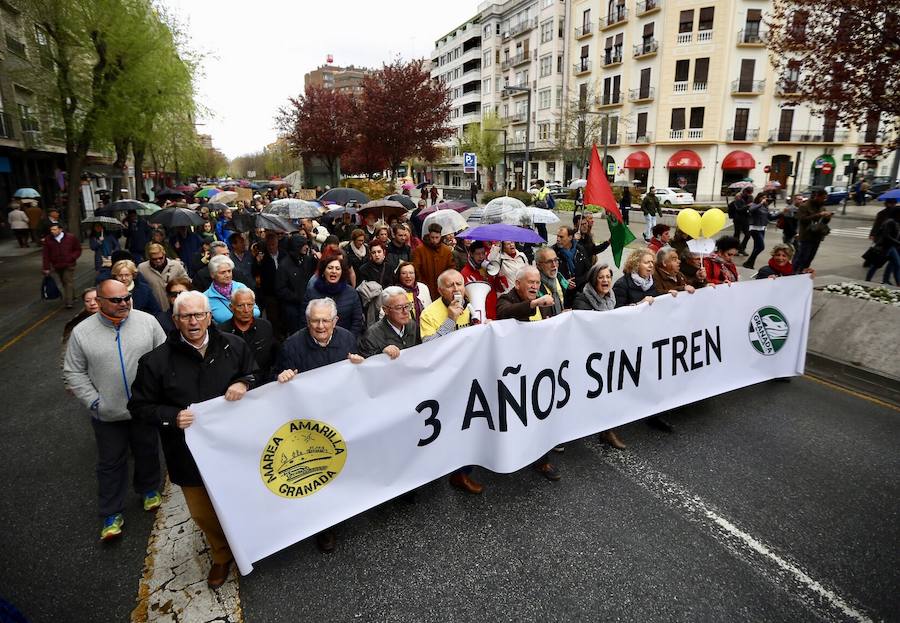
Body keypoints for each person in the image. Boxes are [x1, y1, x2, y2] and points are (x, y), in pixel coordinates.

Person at [129, 291, 256, 588]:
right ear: (175, 321)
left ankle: (250, 544)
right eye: (186, 316)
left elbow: (256, 375)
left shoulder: (234, 346)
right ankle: (222, 554)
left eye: (199, 314)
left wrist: (243, 381)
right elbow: (138, 407)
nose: (194, 321)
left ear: (210, 317)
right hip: (187, 454)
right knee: (203, 512)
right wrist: (171, 416)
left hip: (235, 448)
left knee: (242, 499)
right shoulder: (154, 362)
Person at [63, 279, 167, 541]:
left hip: (144, 409)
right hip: (107, 414)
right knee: (110, 462)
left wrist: (157, 394)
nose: (125, 303)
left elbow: (165, 356)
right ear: (99, 302)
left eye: (127, 297)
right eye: (117, 300)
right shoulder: (82, 333)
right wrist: (95, 401)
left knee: (147, 449)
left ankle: (149, 488)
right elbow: (73, 371)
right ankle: (111, 512)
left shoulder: (147, 322)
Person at [276, 297, 363, 551]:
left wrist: (360, 363)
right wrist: (281, 376)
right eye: (315, 320)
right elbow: (275, 389)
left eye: (326, 320)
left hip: (341, 414)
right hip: (311, 423)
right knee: (321, 474)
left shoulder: (347, 338)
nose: (321, 326)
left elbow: (358, 372)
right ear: (307, 321)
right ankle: (324, 527)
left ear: (336, 321)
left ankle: (348, 507)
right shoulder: (291, 346)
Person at [418, 269, 484, 493]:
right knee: (456, 426)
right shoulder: (429, 313)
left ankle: (463, 470)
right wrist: (450, 319)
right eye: (450, 285)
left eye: (460, 284)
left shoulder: (472, 305)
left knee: (473, 423)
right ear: (439, 290)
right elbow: (429, 349)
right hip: (447, 380)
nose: (457, 289)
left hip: (472, 374)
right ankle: (456, 473)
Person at [495, 265, 561, 481]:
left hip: (540, 368)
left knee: (540, 412)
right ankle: (511, 455)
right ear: (518, 284)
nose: (535, 286)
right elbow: (504, 313)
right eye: (530, 282)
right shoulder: (506, 299)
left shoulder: (545, 300)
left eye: (537, 283)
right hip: (514, 372)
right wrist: (533, 304)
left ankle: (542, 459)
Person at [571, 263, 626, 449]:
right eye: (601, 277)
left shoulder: (611, 298)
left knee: (608, 393)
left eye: (608, 277)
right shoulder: (582, 300)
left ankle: (607, 431)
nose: (605, 280)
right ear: (594, 280)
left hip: (607, 353)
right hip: (588, 357)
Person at [219, 288, 279, 383]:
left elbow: (275, 356)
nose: (246, 310)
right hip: (235, 387)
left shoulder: (265, 326)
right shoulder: (222, 332)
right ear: (231, 307)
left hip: (264, 383)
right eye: (240, 306)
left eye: (250, 305)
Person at [302, 253, 364, 336]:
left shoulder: (352, 293)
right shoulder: (311, 292)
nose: (334, 271)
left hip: (344, 340)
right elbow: (304, 320)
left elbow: (357, 321)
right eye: (330, 268)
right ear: (324, 271)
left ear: (342, 272)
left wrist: (349, 340)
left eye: (338, 268)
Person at [358, 286, 418, 358]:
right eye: (399, 308)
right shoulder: (372, 335)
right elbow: (366, 364)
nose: (405, 312)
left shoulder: (413, 326)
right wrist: (381, 354)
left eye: (407, 306)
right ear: (385, 310)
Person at [276, 235, 317, 336]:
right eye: (303, 245)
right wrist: (297, 297)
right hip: (292, 309)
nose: (306, 247)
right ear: (296, 246)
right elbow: (280, 289)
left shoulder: (307, 260)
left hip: (308, 305)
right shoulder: (284, 265)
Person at [204, 255, 259, 324]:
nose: (227, 275)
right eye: (223, 272)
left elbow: (257, 312)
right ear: (212, 274)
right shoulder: (206, 297)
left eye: (229, 271)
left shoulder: (241, 287)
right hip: (223, 333)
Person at [138, 243, 189, 312]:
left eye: (160, 258)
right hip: (155, 309)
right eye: (154, 259)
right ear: (149, 257)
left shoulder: (176, 266)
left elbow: (187, 283)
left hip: (177, 307)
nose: (158, 261)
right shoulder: (142, 268)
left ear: (164, 255)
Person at [412, 223, 456, 300]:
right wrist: (421, 284)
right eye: (432, 237)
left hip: (442, 288)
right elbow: (416, 269)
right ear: (429, 236)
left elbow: (451, 269)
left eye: (437, 237)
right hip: (425, 287)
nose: (434, 240)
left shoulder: (446, 250)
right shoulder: (420, 250)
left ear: (440, 236)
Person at [42, 223, 82, 309]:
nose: (53, 231)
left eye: (55, 229)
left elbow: (78, 249)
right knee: (64, 282)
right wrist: (46, 267)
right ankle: (72, 296)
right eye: (51, 230)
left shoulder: (70, 237)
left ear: (60, 229)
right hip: (56, 264)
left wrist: (72, 257)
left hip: (69, 264)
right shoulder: (48, 240)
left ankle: (69, 301)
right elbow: (46, 254)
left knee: (68, 281)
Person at [793, 188, 832, 272]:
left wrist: (827, 217)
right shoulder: (804, 206)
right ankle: (792, 274)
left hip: (817, 236)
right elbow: (802, 219)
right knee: (802, 258)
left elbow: (824, 222)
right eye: (823, 198)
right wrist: (819, 215)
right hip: (806, 236)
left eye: (825, 198)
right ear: (817, 197)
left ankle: (802, 274)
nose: (824, 200)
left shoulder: (821, 207)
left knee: (810, 258)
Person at [743, 193, 786, 270]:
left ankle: (749, 264)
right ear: (758, 197)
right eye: (763, 197)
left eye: (765, 197)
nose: (764, 199)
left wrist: (781, 213)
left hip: (762, 228)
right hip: (755, 228)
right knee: (761, 247)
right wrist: (761, 203)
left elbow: (770, 218)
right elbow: (751, 210)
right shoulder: (754, 204)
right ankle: (748, 262)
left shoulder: (765, 207)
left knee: (756, 247)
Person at [460, 242, 502, 320]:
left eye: (483, 253)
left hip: (492, 311)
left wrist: (498, 276)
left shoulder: (489, 268)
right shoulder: (465, 273)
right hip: (478, 313)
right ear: (471, 254)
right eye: (478, 254)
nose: (481, 256)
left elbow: (499, 289)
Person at [552, 226, 592, 307]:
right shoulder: (553, 252)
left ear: (570, 237)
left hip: (579, 294)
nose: (558, 239)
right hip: (562, 295)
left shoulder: (579, 249)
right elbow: (549, 274)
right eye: (557, 236)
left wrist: (577, 281)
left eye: (561, 237)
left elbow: (589, 271)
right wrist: (564, 282)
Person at [865, 206, 900, 285]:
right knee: (876, 265)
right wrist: (897, 242)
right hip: (884, 247)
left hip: (891, 247)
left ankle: (896, 283)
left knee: (897, 264)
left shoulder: (895, 222)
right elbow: (886, 235)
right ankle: (866, 281)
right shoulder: (889, 222)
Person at [535, 246, 571, 317]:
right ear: (538, 265)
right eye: (549, 262)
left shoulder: (559, 277)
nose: (554, 265)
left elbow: (566, 299)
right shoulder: (535, 285)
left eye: (555, 260)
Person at [729, 187, 753, 255]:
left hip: (745, 219)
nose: (749, 194)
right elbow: (739, 210)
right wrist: (747, 206)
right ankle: (735, 249)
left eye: (750, 193)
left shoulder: (749, 198)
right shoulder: (737, 200)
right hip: (738, 219)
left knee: (747, 235)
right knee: (737, 235)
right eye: (748, 192)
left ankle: (741, 248)